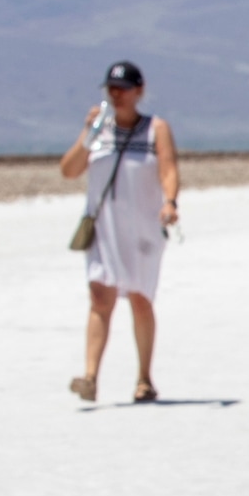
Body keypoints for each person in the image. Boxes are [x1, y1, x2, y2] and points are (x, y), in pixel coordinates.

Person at [60, 61, 180, 403]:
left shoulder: (155, 129)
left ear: (139, 91)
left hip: (142, 229)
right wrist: (88, 134)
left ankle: (144, 377)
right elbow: (69, 170)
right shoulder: (99, 131)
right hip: (103, 228)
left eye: (123, 89)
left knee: (140, 298)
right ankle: (90, 376)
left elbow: (169, 168)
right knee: (100, 297)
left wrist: (170, 201)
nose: (116, 95)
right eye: (111, 89)